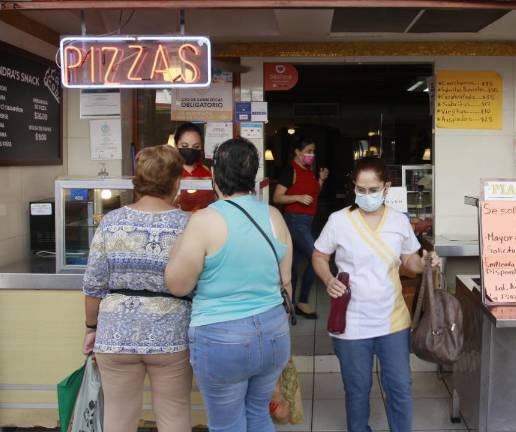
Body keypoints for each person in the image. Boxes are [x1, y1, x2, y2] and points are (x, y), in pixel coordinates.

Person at [165, 137, 293, 432]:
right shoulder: (274, 216)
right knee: (259, 414)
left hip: (222, 337)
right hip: (274, 332)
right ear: (255, 176)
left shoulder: (204, 220)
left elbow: (178, 285)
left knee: (227, 425)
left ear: (213, 176)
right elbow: (286, 284)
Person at [311, 157, 439, 432]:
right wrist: (328, 279)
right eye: (360, 190)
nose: (366, 196)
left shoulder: (398, 221)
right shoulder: (339, 221)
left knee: (400, 387)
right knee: (357, 390)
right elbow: (319, 255)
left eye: (372, 190)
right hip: (352, 322)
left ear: (386, 188)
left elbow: (410, 261)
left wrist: (426, 262)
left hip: (392, 320)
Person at [82, 145, 192, 432]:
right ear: (176, 182)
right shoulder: (188, 224)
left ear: (138, 180)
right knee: (174, 417)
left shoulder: (111, 222)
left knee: (118, 419)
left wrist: (91, 328)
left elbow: (93, 286)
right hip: (171, 334)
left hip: (115, 333)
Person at [273, 137, 329, 319]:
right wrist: (297, 197)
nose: (311, 155)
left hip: (306, 222)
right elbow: (277, 197)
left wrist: (320, 180)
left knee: (294, 265)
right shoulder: (290, 170)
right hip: (295, 221)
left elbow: (313, 194)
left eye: (313, 152)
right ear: (297, 152)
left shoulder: (309, 171)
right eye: (308, 151)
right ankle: (302, 300)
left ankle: (290, 303)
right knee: (317, 256)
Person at [175, 122, 216, 212]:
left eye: (196, 146)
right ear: (176, 145)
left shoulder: (208, 171)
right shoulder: (169, 171)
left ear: (201, 147)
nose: (190, 149)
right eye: (184, 146)